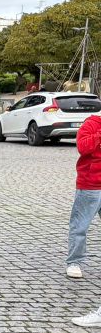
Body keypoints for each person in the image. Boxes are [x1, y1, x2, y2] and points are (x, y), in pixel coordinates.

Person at [66, 112, 101, 281]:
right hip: (90, 185)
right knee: (80, 226)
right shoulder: (91, 124)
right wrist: (99, 135)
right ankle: (74, 262)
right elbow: (82, 147)